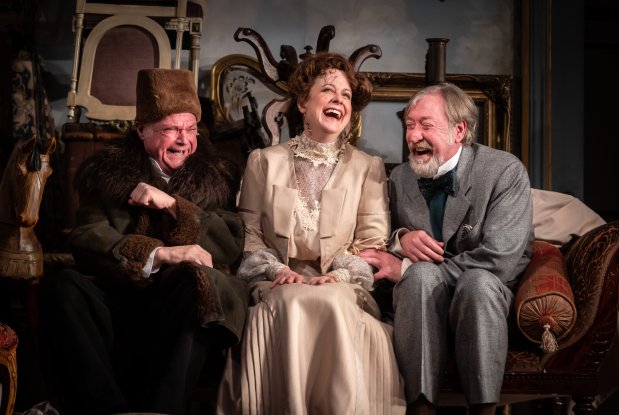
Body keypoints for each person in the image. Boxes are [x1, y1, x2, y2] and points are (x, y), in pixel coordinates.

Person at [38, 68, 249, 415]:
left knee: (198, 281)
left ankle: (163, 409)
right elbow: (87, 236)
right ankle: (107, 409)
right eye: (170, 129)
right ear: (142, 131)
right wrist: (159, 253)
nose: (184, 140)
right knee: (65, 285)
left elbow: (230, 242)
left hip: (177, 316)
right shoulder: (108, 173)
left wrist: (173, 206)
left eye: (191, 129)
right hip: (118, 306)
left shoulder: (216, 176)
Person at [217, 52, 406, 414]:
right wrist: (277, 271)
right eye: (328, 91)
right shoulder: (263, 161)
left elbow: (371, 243)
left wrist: (336, 275)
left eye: (346, 95)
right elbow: (250, 235)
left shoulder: (368, 168)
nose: (339, 100)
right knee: (291, 300)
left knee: (330, 301)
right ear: (303, 102)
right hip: (276, 283)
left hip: (343, 285)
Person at [359, 83, 533, 415]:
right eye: (409, 125)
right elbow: (384, 232)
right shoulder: (401, 179)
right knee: (422, 277)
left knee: (477, 283)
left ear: (459, 130)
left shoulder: (504, 171)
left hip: (483, 302)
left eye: (426, 124)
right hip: (418, 303)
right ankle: (421, 407)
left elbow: (500, 258)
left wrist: (406, 269)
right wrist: (402, 236)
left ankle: (483, 409)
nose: (413, 136)